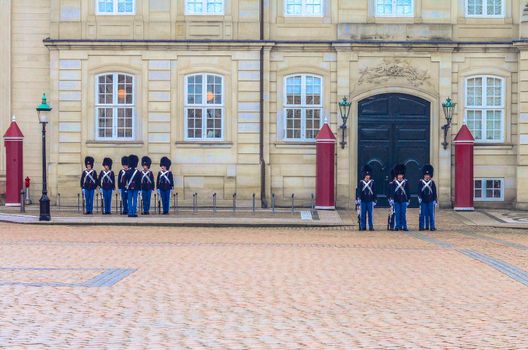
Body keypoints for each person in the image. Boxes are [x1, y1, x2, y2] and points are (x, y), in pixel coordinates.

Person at [389, 164, 410, 231]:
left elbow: (407, 191)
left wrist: (408, 199)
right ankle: (397, 226)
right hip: (396, 200)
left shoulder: (405, 182)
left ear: (403, 175)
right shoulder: (394, 183)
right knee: (397, 213)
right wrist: (392, 199)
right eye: (399, 175)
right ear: (397, 175)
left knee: (403, 214)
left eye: (401, 175)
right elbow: (392, 191)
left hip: (403, 200)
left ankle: (404, 226)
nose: (400, 176)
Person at [355, 165, 376, 231]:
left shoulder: (372, 182)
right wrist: (358, 198)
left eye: (368, 175)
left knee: (370, 214)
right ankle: (363, 226)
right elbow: (359, 191)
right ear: (364, 175)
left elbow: (374, 191)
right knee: (362, 214)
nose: (367, 176)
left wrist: (375, 200)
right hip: (363, 200)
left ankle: (371, 226)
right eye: (366, 175)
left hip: (370, 200)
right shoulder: (361, 182)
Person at [418, 164, 438, 231]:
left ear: (430, 175)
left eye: (428, 175)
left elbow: (434, 192)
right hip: (423, 200)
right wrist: (419, 197)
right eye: (426, 175)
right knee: (422, 214)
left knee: (431, 214)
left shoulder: (432, 183)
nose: (427, 176)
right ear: (424, 175)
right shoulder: (421, 182)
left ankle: (432, 226)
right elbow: (419, 191)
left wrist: (435, 199)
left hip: (430, 200)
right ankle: (421, 226)